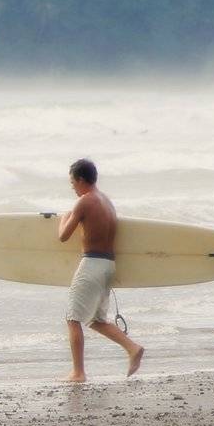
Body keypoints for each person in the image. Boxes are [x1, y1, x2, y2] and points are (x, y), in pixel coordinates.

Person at [56, 158, 144, 382]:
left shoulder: (85, 202)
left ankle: (78, 373)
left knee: (72, 317)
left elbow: (63, 236)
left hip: (92, 263)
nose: (72, 187)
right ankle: (132, 348)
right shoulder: (106, 201)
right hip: (108, 264)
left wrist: (64, 217)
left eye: (73, 182)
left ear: (81, 179)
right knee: (95, 319)